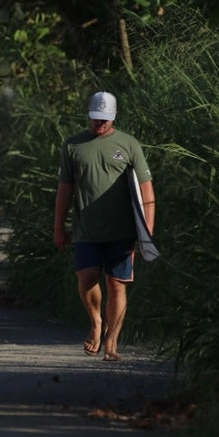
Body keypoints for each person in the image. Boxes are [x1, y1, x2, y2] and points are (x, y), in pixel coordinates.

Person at [53, 91, 155, 362]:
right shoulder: (73, 145)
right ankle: (97, 321)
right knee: (86, 280)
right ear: (88, 114)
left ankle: (111, 342)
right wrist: (58, 226)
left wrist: (148, 232)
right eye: (96, 118)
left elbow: (146, 190)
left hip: (122, 231)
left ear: (114, 117)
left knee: (117, 284)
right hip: (86, 228)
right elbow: (65, 188)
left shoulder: (129, 144)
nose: (100, 124)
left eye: (106, 119)